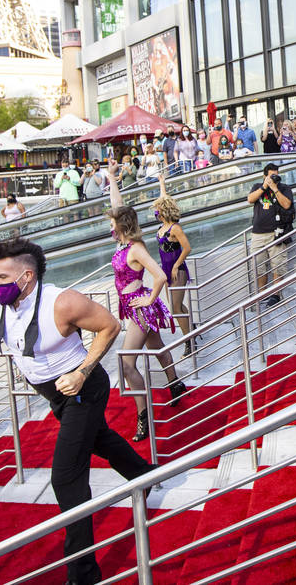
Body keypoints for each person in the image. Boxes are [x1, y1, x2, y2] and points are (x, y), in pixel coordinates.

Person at [0, 239, 156, 585]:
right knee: (97, 437)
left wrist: (82, 371)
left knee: (66, 477)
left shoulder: (62, 302)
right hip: (52, 393)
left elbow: (110, 326)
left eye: (1, 276)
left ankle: (83, 573)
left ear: (27, 276)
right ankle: (144, 474)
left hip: (83, 387)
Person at [104, 166, 188, 439]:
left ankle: (144, 415)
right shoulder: (123, 244)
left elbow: (161, 275)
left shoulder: (136, 248)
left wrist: (149, 298)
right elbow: (118, 206)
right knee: (157, 346)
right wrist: (111, 177)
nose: (110, 226)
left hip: (140, 309)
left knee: (127, 364)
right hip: (134, 308)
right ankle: (175, 383)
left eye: (112, 223)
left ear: (121, 226)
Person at [154, 172, 194, 352]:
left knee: (176, 308)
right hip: (166, 270)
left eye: (158, 210)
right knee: (177, 305)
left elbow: (187, 248)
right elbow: (164, 200)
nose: (155, 212)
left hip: (177, 270)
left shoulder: (175, 228)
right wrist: (162, 184)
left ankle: (189, 342)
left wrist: (177, 265)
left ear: (164, 212)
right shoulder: (163, 226)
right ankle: (191, 331)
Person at [247, 162, 294, 308]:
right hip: (258, 234)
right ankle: (262, 294)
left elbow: (287, 205)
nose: (274, 178)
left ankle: (276, 294)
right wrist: (264, 187)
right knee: (259, 266)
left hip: (276, 233)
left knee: (278, 265)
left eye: (276, 175)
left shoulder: (284, 188)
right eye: (271, 175)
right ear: (264, 176)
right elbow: (250, 199)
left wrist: (275, 188)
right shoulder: (257, 187)